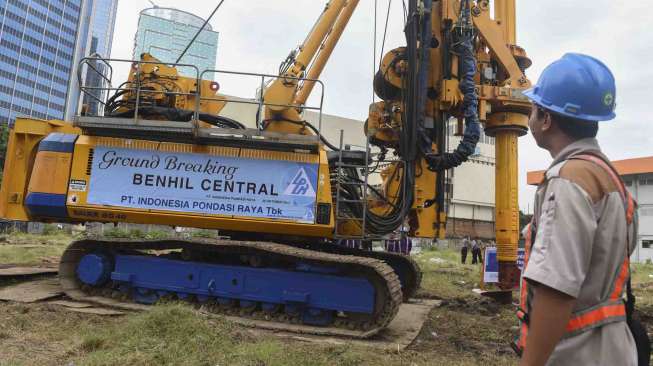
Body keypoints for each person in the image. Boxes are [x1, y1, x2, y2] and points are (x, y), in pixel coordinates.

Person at [515, 53, 639, 366]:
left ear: (546, 119)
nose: (529, 116)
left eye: (533, 108)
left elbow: (557, 287)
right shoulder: (612, 180)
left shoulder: (567, 180)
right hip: (614, 348)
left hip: (575, 353)